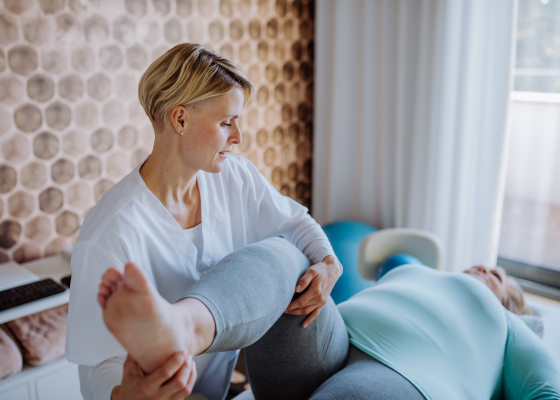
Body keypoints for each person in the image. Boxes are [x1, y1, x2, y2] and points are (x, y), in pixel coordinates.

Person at [65, 43, 343, 400]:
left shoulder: (235, 177)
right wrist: (125, 395)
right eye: (226, 123)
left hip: (220, 389)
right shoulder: (110, 233)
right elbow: (97, 366)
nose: (238, 138)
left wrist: (329, 263)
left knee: (281, 252)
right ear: (179, 119)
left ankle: (182, 326)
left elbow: (295, 223)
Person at [97, 240, 560, 400]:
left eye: (496, 276)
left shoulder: (508, 326)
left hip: (406, 376)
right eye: (483, 264)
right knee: (288, 257)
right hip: (328, 338)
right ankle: (181, 327)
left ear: (509, 302)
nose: (484, 269)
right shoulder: (419, 272)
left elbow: (545, 390)